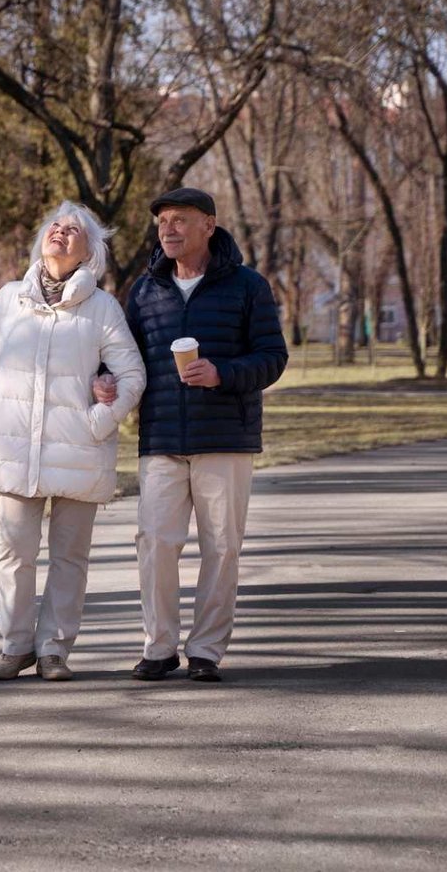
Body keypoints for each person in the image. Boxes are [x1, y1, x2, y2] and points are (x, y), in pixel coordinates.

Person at [94, 187, 287, 683]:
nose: (169, 229)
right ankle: (159, 647)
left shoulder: (247, 286)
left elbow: (272, 357)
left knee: (221, 548)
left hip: (225, 438)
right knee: (155, 542)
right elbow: (122, 356)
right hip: (160, 438)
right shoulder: (144, 290)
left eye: (180, 220)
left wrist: (222, 373)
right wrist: (106, 377)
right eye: (162, 222)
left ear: (209, 224)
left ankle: (206, 650)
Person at [0, 202, 146, 681]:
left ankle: (53, 651)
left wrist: (101, 419)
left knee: (69, 557)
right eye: (56, 226)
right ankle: (15, 646)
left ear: (90, 253)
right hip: (14, 448)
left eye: (74, 230)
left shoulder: (103, 308)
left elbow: (131, 374)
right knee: (13, 552)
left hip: (79, 448)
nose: (61, 233)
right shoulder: (9, 299)